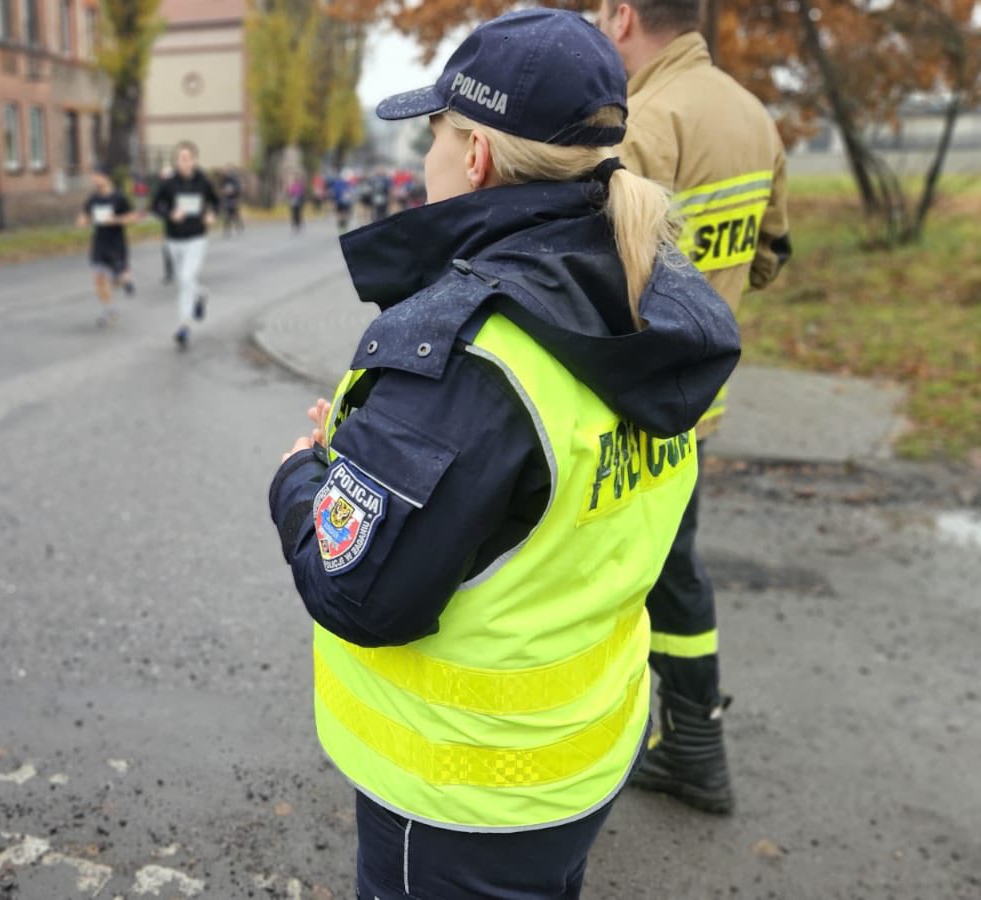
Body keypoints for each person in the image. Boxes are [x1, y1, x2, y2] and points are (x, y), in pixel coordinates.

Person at [266, 9, 740, 897]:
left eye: (434, 137)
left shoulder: (466, 354)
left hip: (462, 795)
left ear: (476, 155)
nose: (423, 161)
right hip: (584, 754)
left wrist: (302, 474)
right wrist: (388, 447)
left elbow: (357, 586)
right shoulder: (650, 294)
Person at [597, 0, 792, 815]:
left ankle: (688, 748)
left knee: (634, 574)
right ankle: (685, 735)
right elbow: (773, 255)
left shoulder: (643, 120)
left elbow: (597, 274)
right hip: (700, 397)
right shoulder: (754, 116)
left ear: (624, 15)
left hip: (629, 400)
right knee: (674, 565)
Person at [150, 142, 219, 350]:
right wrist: (169, 214)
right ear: (176, 161)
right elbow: (155, 206)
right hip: (174, 239)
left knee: (186, 278)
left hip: (197, 237)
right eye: (180, 158)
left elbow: (216, 202)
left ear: (194, 159)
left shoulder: (204, 182)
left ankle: (184, 326)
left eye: (187, 157)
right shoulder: (168, 183)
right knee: (184, 281)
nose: (184, 161)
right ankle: (200, 294)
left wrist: (211, 214)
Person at [76, 167, 140, 327]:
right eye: (93, 177)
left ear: (106, 177)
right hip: (99, 242)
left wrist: (116, 220)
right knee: (98, 278)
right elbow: (83, 217)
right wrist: (83, 221)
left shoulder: (119, 197)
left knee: (116, 280)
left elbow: (133, 218)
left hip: (116, 244)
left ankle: (125, 280)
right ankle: (108, 310)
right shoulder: (93, 199)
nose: (95, 180)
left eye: (97, 176)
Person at [219, 167, 246, 237]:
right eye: (224, 172)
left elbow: (238, 189)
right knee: (227, 215)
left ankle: (240, 227)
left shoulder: (234, 179)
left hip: (234, 199)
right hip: (227, 200)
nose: (225, 173)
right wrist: (223, 192)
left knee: (235, 215)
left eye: (226, 172)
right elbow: (221, 188)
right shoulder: (223, 180)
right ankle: (227, 230)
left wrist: (233, 191)